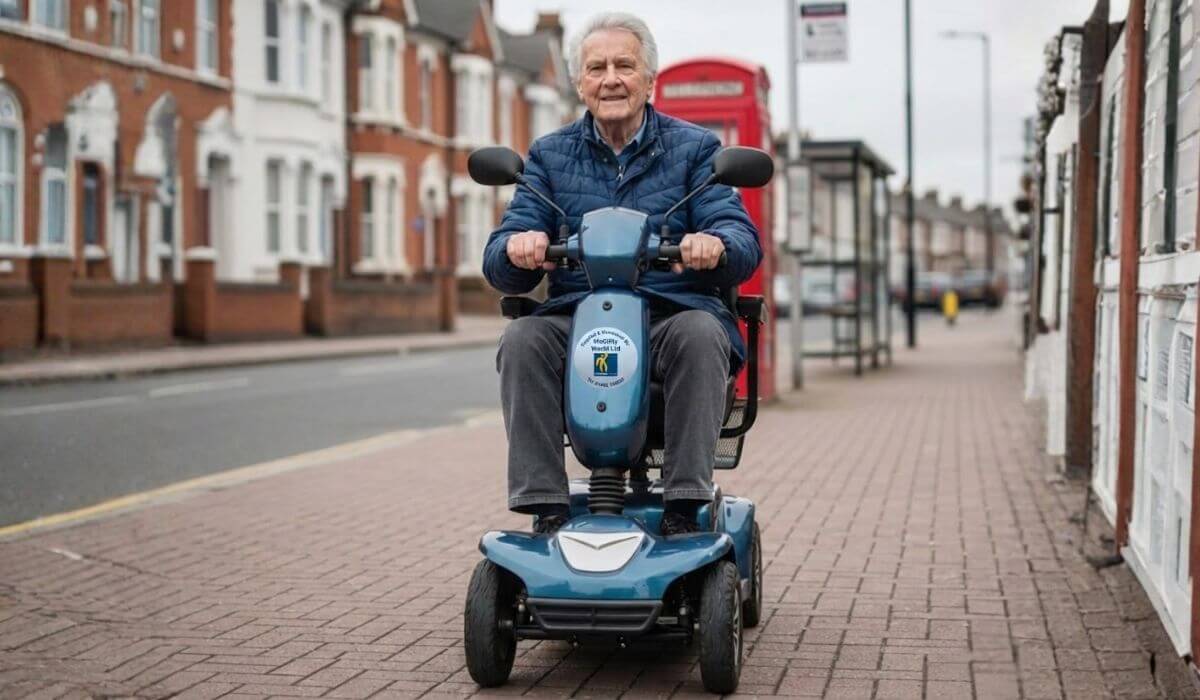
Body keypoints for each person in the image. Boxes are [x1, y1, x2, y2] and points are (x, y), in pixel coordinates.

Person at [482, 12, 762, 537]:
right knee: (522, 338)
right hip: (578, 317)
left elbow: (743, 240)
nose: (610, 78)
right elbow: (499, 257)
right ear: (580, 83)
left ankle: (684, 505)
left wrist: (715, 245)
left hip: (668, 316)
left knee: (702, 334)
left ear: (649, 80)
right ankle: (545, 506)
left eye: (625, 65)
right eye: (597, 67)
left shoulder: (696, 150)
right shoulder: (547, 156)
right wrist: (519, 248)